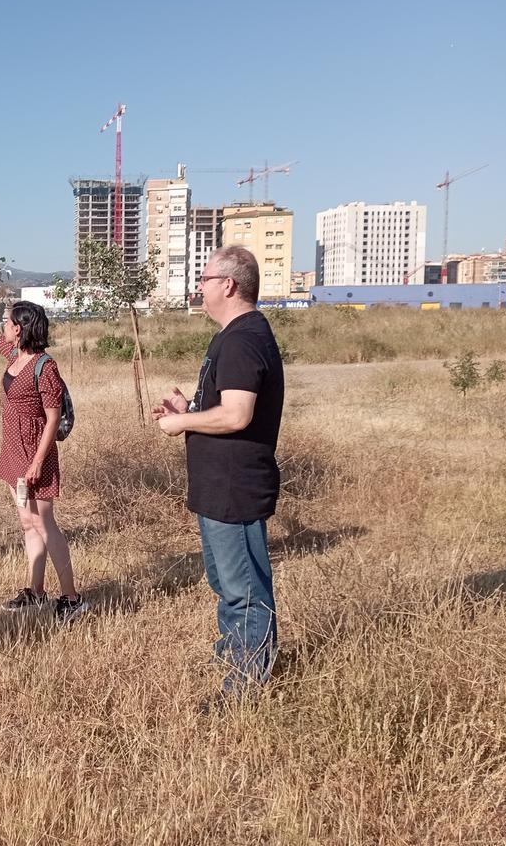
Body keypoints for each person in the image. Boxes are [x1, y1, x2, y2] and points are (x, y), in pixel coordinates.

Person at [153, 246, 285, 700]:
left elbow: (236, 416)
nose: (199, 288)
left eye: (204, 280)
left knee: (243, 586)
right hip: (216, 486)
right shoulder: (230, 337)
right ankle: (234, 650)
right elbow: (223, 407)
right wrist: (188, 408)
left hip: (235, 487)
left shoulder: (244, 339)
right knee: (225, 581)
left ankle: (248, 683)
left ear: (227, 285)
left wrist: (183, 422)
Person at [0, 285, 87, 621]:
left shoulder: (45, 366)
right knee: (28, 523)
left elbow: (54, 418)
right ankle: (36, 592)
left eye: (9, 321)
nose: (4, 325)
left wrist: (38, 463)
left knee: (45, 524)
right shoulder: (16, 356)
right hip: (13, 451)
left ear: (20, 328)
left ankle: (72, 598)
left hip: (34, 454)